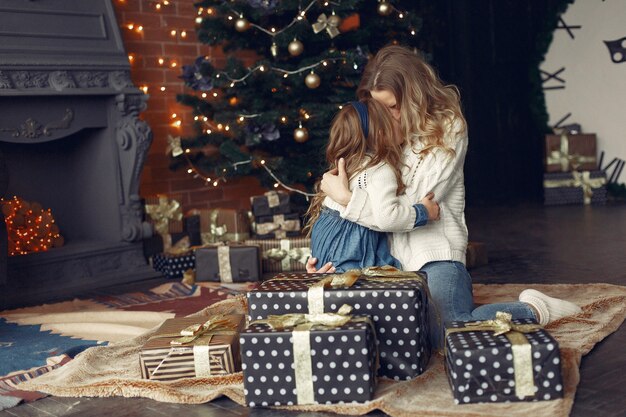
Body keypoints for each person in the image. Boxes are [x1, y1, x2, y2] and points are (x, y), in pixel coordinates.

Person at [307, 45, 581, 338]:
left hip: (434, 255)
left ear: (414, 96)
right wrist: (329, 261)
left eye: (393, 107)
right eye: (380, 109)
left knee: (446, 329)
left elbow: (410, 207)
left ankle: (533, 308)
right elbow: (355, 220)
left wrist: (346, 198)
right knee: (369, 328)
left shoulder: (448, 128)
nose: (389, 117)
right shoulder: (380, 140)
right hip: (384, 264)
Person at [304, 97, 439, 273]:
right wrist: (423, 212)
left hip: (325, 245)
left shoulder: (348, 166)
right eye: (390, 119)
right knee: (368, 291)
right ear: (381, 132)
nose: (399, 121)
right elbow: (387, 217)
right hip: (350, 246)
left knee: (334, 296)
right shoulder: (380, 170)